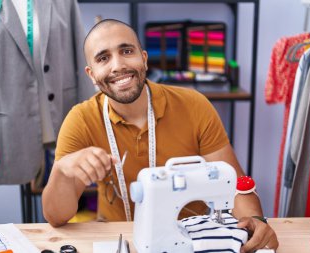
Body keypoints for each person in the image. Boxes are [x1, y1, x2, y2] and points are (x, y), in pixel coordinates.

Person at [42, 19, 279, 252]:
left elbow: (235, 184)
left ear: (144, 59)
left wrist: (254, 219)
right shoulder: (81, 120)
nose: (118, 65)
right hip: (120, 239)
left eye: (126, 51)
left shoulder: (194, 106)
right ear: (91, 74)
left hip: (189, 238)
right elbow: (56, 216)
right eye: (103, 58)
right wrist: (62, 170)